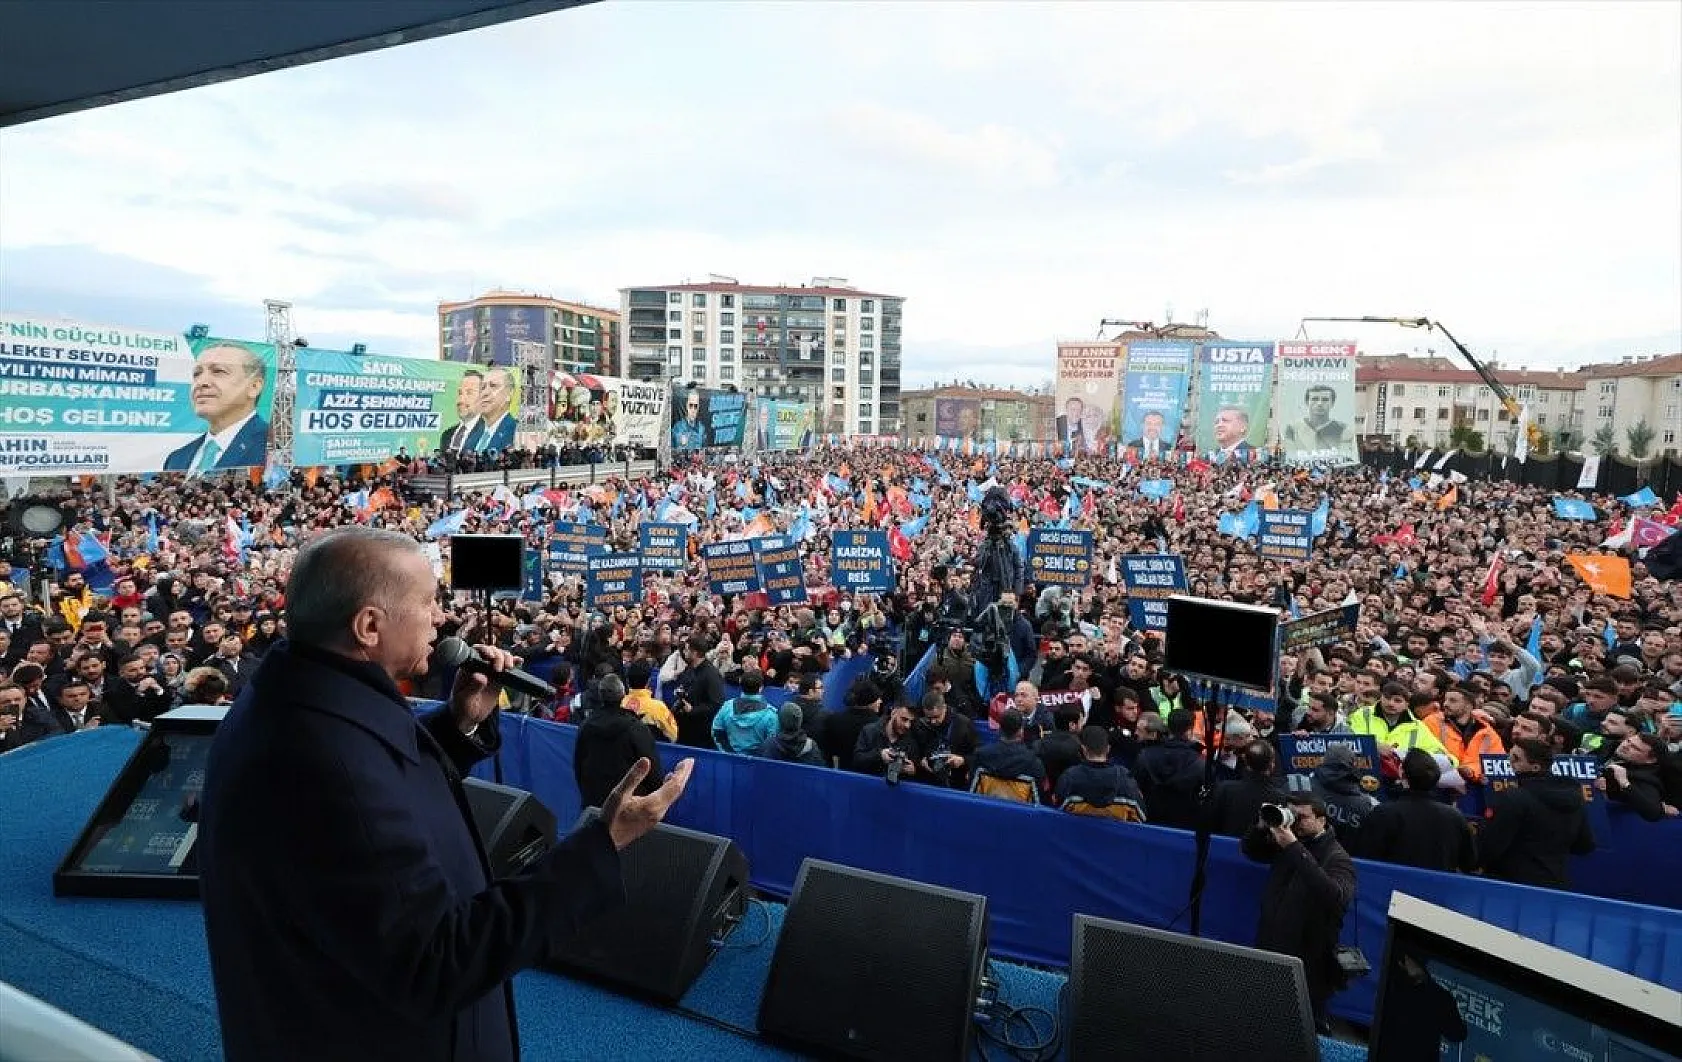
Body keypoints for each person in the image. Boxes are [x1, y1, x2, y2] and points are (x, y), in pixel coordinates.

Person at [198, 526, 693, 1062]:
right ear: (369, 626)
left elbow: (371, 788)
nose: (441, 618)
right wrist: (604, 841)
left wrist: (455, 727)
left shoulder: (294, 702)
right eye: (429, 602)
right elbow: (436, 961)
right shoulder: (323, 763)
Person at [1241, 793, 1356, 1033]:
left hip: (1307, 962)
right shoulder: (1285, 841)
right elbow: (1250, 850)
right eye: (1292, 815)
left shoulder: (1337, 857)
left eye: (1302, 817)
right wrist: (1262, 826)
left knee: (1301, 1030)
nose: (1295, 823)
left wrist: (1293, 847)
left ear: (1322, 819)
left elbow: (1335, 897)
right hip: (1271, 946)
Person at [1478, 737, 1595, 889]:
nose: (1509, 761)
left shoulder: (1513, 797)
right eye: (1509, 755)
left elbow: (1489, 845)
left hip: (1511, 886)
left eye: (1516, 759)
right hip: (1555, 885)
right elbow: (1584, 845)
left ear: (1535, 767)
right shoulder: (1575, 798)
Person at [1357, 749, 1477, 873]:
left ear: (1402, 773)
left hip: (1395, 888)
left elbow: (1365, 860)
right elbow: (1469, 864)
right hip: (1439, 889)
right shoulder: (1455, 817)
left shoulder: (1384, 814)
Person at [163, 341, 270, 474]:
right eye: (197, 374)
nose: (201, 383)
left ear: (254, 386)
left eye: (218, 371)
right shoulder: (176, 459)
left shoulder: (276, 448)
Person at [574, 674, 664, 810]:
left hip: (594, 802)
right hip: (627, 805)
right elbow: (652, 769)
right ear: (623, 695)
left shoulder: (586, 726)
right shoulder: (636, 728)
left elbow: (578, 765)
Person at [1282, 385, 1348, 451]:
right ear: (1307, 402)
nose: (1320, 403)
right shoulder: (1293, 428)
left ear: (1332, 403)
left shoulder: (1343, 429)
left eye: (1325, 400)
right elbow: (1290, 453)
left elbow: (1346, 454)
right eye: (1315, 399)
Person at [467, 367, 517, 453]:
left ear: (509, 393)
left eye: (493, 386)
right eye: (482, 387)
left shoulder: (514, 429)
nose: (485, 393)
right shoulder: (472, 434)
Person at [440, 370, 484, 454]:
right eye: (460, 393)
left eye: (469, 393)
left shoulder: (487, 433)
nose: (461, 400)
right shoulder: (446, 435)